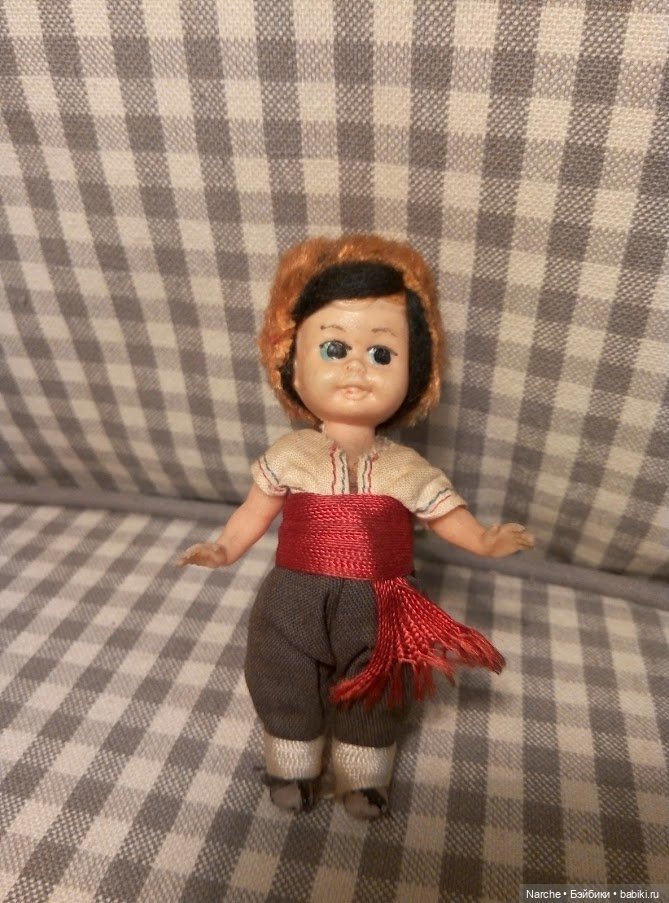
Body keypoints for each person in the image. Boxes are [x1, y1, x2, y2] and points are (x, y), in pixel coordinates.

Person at [177, 234, 534, 819]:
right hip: (293, 595)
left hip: (383, 601)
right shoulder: (291, 456)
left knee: (381, 681)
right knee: (281, 669)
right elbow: (254, 511)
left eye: (383, 355)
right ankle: (291, 764)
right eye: (334, 347)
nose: (357, 369)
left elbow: (445, 514)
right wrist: (224, 549)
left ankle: (364, 776)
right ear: (291, 365)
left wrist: (484, 540)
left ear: (415, 372)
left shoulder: (405, 468)